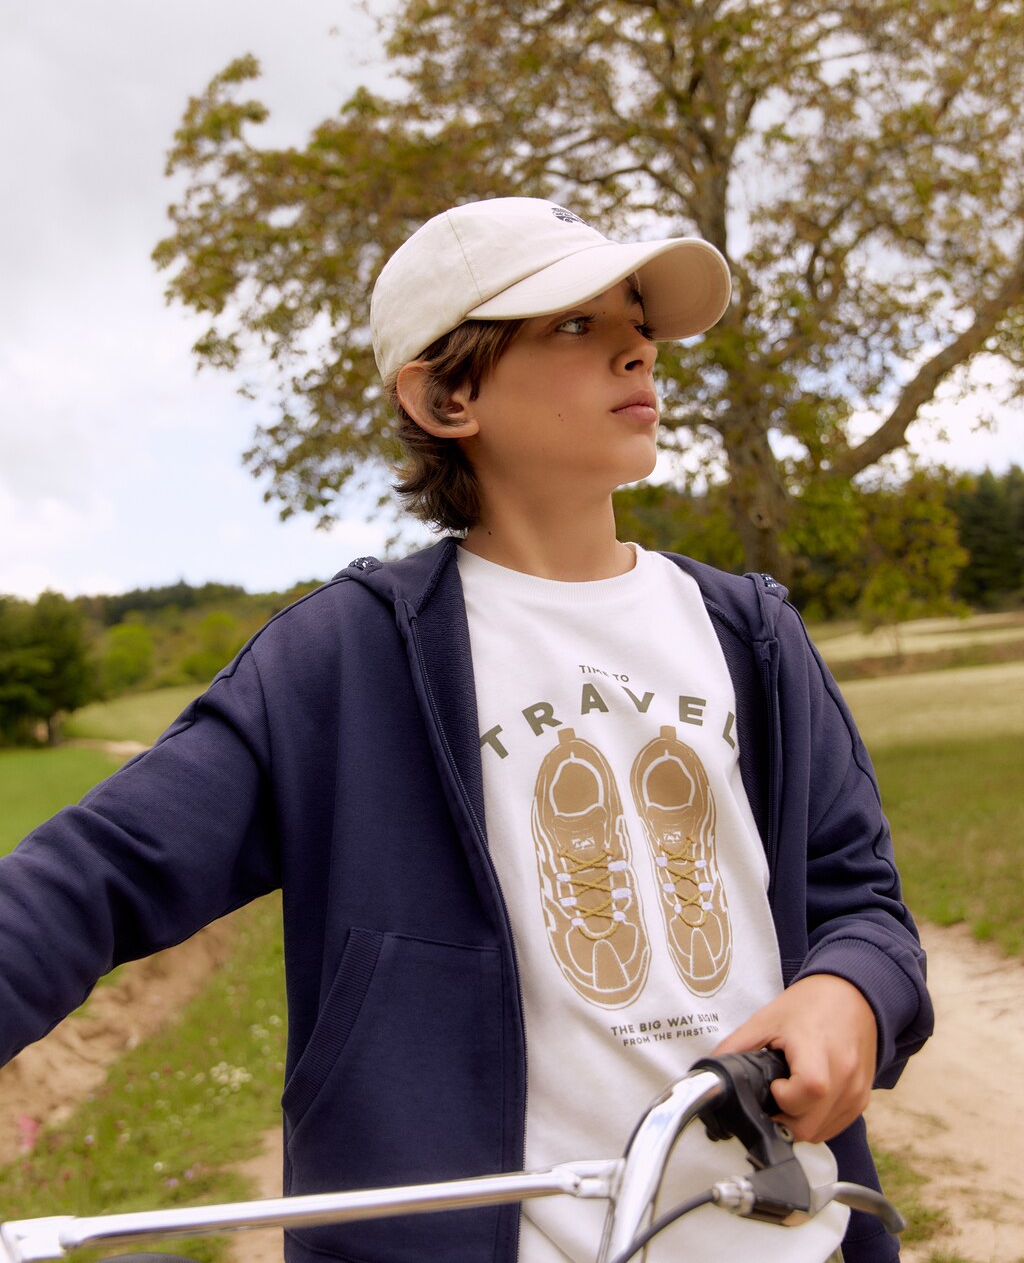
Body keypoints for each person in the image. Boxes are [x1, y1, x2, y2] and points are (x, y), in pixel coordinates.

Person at [0, 197, 931, 1263]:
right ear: (447, 394)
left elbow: (865, 905)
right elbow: (90, 878)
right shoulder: (340, 661)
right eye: (573, 325)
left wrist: (844, 990)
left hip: (790, 1238)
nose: (638, 342)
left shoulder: (749, 634)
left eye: (635, 315)